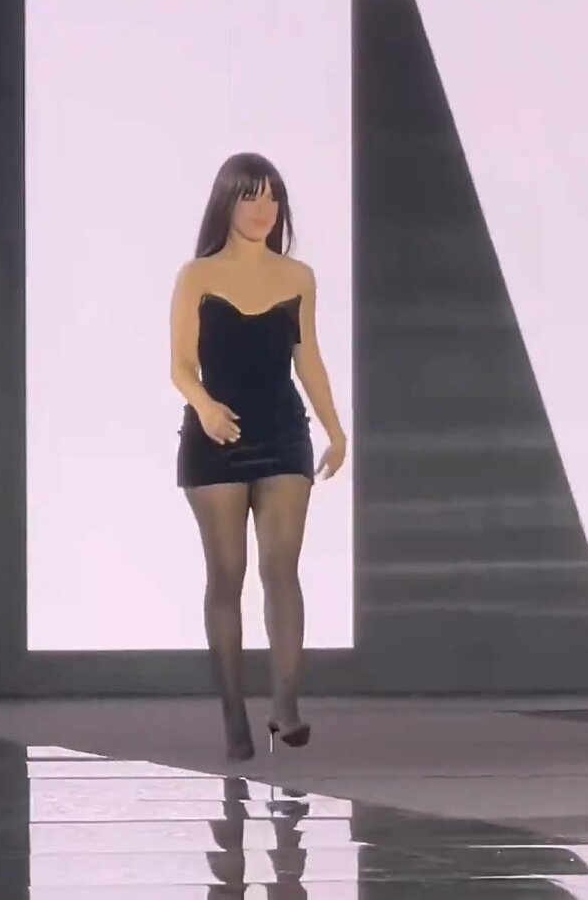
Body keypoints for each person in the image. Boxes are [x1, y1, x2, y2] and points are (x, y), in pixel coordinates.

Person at [170, 151, 347, 762]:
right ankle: (233, 719)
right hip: (216, 437)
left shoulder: (298, 277)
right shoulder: (196, 276)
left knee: (281, 569)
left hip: (282, 433)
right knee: (227, 575)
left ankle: (286, 706)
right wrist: (204, 408)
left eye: (272, 198)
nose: (263, 209)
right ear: (227, 202)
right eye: (251, 196)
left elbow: (308, 357)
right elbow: (180, 365)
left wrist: (335, 428)